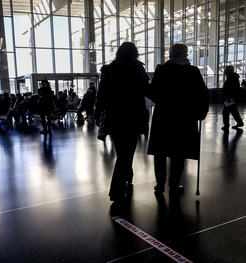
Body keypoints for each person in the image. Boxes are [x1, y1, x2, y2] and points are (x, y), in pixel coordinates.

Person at [146, 44, 209, 195]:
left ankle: (160, 184)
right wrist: (201, 112)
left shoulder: (162, 70)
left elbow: (153, 92)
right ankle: (174, 184)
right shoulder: (192, 71)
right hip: (185, 118)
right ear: (185, 54)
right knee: (179, 153)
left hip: (164, 116)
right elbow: (202, 94)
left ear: (171, 53)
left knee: (160, 152)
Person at [94, 42, 150, 204]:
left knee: (122, 152)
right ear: (134, 53)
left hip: (114, 117)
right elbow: (146, 89)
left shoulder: (109, 71)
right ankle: (116, 190)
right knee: (127, 152)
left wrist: (98, 114)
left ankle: (128, 176)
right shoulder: (136, 68)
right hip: (132, 116)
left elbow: (101, 95)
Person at [221, 65, 244, 131]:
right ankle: (239, 122)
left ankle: (226, 125)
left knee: (226, 112)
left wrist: (229, 97)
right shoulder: (233, 77)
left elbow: (231, 89)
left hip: (230, 98)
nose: (225, 71)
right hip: (232, 98)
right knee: (233, 111)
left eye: (226, 70)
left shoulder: (231, 78)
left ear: (230, 70)